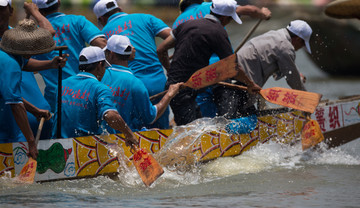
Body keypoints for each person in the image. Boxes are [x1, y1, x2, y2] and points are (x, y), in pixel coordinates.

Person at [157, 0, 261, 126]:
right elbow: (233, 67)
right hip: (183, 92)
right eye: (230, 19)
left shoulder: (186, 24)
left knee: (197, 126)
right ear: (224, 17)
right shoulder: (217, 31)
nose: (229, 22)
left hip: (179, 88)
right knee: (189, 132)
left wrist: (171, 73)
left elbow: (161, 50)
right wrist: (250, 85)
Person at [93, 0, 172, 129]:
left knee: (136, 136)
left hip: (129, 88)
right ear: (120, 8)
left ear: (101, 18)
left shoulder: (104, 33)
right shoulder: (146, 17)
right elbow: (173, 36)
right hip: (158, 83)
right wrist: (166, 63)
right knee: (161, 134)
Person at [0, 0, 66, 140]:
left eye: (1, 9)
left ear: (10, 11)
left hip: (30, 109)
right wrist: (34, 11)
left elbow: (25, 62)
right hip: (11, 113)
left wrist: (50, 64)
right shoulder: (9, 61)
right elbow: (13, 100)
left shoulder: (15, 36)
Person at [52, 46, 138, 148]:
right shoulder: (100, 89)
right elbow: (110, 115)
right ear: (99, 65)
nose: (104, 71)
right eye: (104, 67)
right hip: (83, 147)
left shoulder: (62, 84)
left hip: (58, 145)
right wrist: (129, 134)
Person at [32, 0, 107, 113]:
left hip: (54, 98)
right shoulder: (77, 21)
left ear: (38, 10)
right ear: (59, 3)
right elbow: (103, 45)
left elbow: (29, 67)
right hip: (83, 92)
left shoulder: (34, 34)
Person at [101, 35, 182, 131]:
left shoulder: (100, 77)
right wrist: (170, 94)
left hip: (103, 137)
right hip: (128, 138)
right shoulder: (135, 83)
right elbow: (151, 117)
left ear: (111, 53)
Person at [0, 18, 55, 160]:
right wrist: (31, 142)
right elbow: (15, 104)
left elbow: (14, 96)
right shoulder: (11, 65)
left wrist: (35, 111)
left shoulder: (12, 55)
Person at [232, 20, 312, 114]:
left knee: (242, 113)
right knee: (240, 115)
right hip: (241, 82)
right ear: (298, 39)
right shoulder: (285, 47)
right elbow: (293, 79)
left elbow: (282, 68)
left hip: (234, 73)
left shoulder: (275, 35)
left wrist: (297, 74)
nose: (301, 47)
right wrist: (307, 101)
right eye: (303, 44)